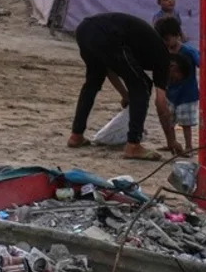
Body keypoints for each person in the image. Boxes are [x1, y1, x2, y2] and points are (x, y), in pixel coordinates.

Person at [65, 11, 181, 161]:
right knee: (142, 85)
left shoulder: (145, 42)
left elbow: (109, 68)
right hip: (108, 35)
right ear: (172, 37)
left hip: (85, 30)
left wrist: (125, 95)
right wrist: (171, 141)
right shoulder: (161, 53)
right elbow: (161, 104)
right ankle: (133, 145)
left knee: (92, 83)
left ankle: (76, 135)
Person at [155, 16, 200, 156]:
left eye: (168, 39)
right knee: (169, 120)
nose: (166, 43)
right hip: (170, 94)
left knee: (186, 124)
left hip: (187, 94)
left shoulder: (188, 51)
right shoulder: (163, 52)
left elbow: (201, 63)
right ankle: (172, 143)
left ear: (177, 35)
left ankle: (189, 147)